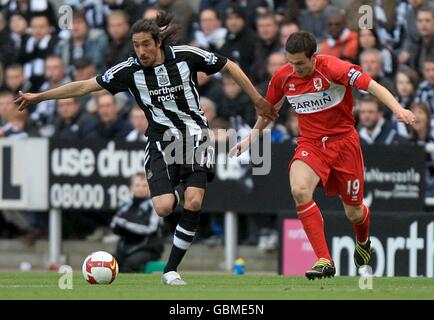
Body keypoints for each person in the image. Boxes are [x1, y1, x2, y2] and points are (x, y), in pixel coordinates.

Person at [14, 11, 277, 285]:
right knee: (164, 208)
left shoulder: (187, 56)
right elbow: (84, 87)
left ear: (158, 43)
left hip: (195, 136)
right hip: (161, 142)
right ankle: (175, 197)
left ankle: (170, 270)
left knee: (195, 200)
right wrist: (40, 97)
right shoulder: (129, 71)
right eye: (136, 45)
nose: (141, 51)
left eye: (146, 45)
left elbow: (229, 66)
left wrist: (258, 100)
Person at [230, 31, 415, 280]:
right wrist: (250, 139)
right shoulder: (284, 76)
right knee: (299, 190)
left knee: (354, 212)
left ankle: (362, 242)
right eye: (291, 62)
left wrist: (398, 109)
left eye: (300, 63)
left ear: (314, 57)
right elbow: (268, 110)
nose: (294, 68)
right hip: (311, 144)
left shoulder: (334, 68)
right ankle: (324, 259)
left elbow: (371, 86)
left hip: (344, 144)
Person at [111, 172, 164, 273]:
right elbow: (114, 225)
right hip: (125, 248)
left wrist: (126, 225)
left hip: (147, 248)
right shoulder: (125, 206)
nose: (140, 188)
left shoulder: (154, 206)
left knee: (130, 263)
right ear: (131, 188)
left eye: (144, 185)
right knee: (109, 261)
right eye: (137, 185)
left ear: (149, 188)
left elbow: (151, 228)